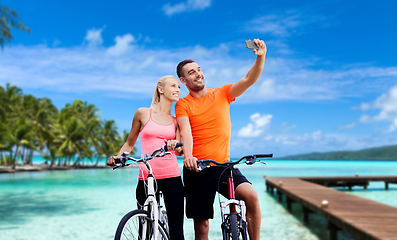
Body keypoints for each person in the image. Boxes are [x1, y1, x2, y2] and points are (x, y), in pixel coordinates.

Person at [175, 39, 267, 240]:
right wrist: (188, 156)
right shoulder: (183, 104)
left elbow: (249, 79)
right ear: (183, 81)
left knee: (251, 197)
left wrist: (261, 57)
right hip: (197, 169)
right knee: (202, 227)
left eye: (199, 69)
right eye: (192, 72)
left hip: (224, 167)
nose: (198, 74)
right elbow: (185, 131)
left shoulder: (222, 93)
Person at [107, 75, 185, 240]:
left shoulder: (176, 121)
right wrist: (118, 157)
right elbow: (130, 143)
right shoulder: (142, 113)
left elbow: (180, 151)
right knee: (144, 232)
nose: (178, 89)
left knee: (177, 232)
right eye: (173, 86)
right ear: (161, 89)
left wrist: (176, 144)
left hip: (172, 177)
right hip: (146, 177)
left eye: (179, 86)